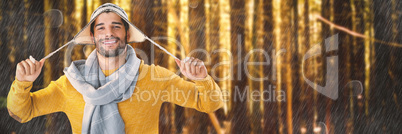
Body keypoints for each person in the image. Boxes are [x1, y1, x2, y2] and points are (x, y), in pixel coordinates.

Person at [7, 3, 223, 134]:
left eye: (116, 26)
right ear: (92, 37)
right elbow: (21, 112)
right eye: (100, 28)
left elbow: (210, 103)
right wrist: (22, 83)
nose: (108, 33)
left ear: (127, 35)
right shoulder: (71, 83)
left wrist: (202, 79)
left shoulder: (155, 77)